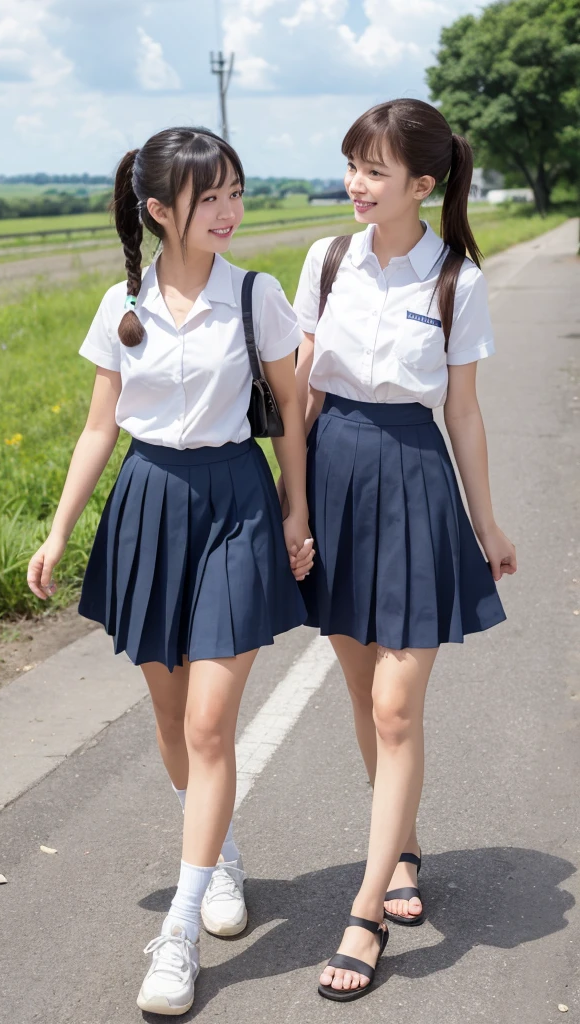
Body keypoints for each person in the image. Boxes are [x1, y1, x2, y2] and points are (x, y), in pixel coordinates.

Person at [27, 126, 314, 1016]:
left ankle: (181, 929)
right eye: (211, 196)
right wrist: (57, 529)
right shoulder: (123, 304)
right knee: (169, 714)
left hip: (235, 501)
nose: (231, 210)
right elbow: (98, 427)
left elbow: (290, 410)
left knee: (211, 723)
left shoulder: (256, 296)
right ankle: (222, 857)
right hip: (148, 503)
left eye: (236, 190)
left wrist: (295, 507)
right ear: (160, 211)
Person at [291, 99, 517, 1002]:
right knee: (360, 687)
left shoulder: (457, 277)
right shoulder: (327, 258)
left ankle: (365, 911)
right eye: (353, 163)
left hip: (416, 482)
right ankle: (404, 849)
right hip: (335, 475)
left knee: (395, 706)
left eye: (375, 170)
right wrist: (294, 506)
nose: (356, 182)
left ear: (422, 185)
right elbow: (301, 390)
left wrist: (489, 522)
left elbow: (462, 411)